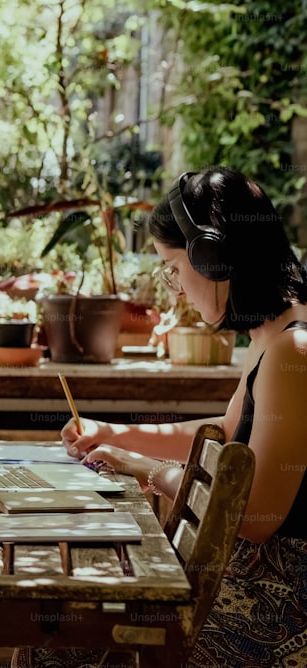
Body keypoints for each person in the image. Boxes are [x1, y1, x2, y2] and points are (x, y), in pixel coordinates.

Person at [56, 167, 307, 666]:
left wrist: (142, 468)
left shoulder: (293, 350)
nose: (172, 288)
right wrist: (116, 434)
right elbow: (229, 436)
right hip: (244, 577)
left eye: (172, 267)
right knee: (58, 630)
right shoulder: (269, 337)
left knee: (65, 642)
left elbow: (253, 514)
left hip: (280, 601)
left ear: (212, 257)